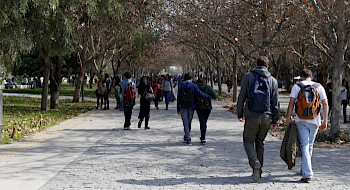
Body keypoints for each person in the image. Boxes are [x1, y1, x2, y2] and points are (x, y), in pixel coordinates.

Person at [237, 56, 280, 182]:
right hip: (266, 116)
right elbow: (275, 102)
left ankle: (255, 162)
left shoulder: (248, 76)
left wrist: (240, 113)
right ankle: (259, 171)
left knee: (248, 141)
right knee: (260, 142)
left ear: (256, 64)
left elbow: (242, 96)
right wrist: (275, 119)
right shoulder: (273, 80)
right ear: (268, 66)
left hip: (251, 116)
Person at [286, 69, 328, 183]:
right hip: (315, 120)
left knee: (304, 145)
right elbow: (325, 103)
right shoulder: (319, 86)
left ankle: (307, 173)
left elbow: (291, 103)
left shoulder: (297, 86)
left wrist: (288, 118)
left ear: (301, 77)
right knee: (309, 145)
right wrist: (325, 120)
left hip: (301, 120)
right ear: (311, 77)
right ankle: (304, 169)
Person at [177, 73, 212, 145]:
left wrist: (178, 108)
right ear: (190, 79)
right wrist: (208, 96)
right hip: (191, 106)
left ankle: (188, 137)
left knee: (185, 122)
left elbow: (178, 97)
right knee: (189, 121)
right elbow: (200, 93)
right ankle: (187, 135)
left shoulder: (181, 86)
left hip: (183, 106)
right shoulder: (193, 86)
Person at [195, 77, 217, 145]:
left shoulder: (195, 87)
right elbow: (214, 96)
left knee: (202, 121)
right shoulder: (208, 87)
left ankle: (203, 137)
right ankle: (203, 137)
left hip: (199, 107)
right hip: (207, 107)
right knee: (204, 121)